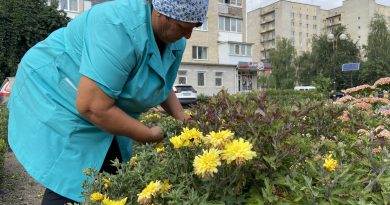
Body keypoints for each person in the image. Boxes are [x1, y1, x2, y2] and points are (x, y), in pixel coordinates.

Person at [7, 0, 209, 204]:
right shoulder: (116, 26)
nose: (188, 35)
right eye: (184, 27)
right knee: (75, 178)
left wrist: (182, 117)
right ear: (161, 12)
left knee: (112, 175)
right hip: (57, 88)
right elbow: (93, 106)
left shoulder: (176, 40)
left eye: (194, 27)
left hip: (100, 102)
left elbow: (159, 80)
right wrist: (147, 134)